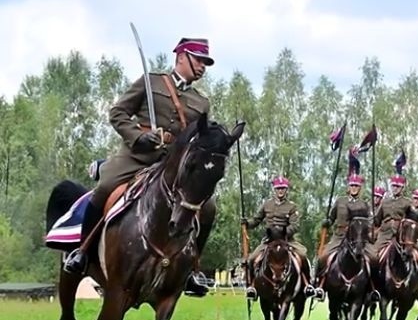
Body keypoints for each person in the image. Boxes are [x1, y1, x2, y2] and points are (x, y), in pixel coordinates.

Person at [63, 37, 215, 297]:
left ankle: (190, 269)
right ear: (181, 57)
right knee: (105, 187)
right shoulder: (151, 82)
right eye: (199, 60)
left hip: (171, 166)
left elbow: (199, 140)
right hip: (136, 155)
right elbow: (117, 113)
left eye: (206, 63)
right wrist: (138, 136)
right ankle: (82, 252)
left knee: (208, 207)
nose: (203, 67)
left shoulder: (201, 103)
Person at [241, 176, 313, 299]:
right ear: (274, 189)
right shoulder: (267, 204)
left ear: (286, 190)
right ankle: (251, 286)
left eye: (283, 189)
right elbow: (257, 219)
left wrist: (283, 232)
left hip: (286, 240)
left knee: (303, 256)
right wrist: (247, 223)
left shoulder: (292, 206)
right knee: (252, 259)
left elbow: (295, 225)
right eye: (278, 188)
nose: (280, 191)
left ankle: (308, 285)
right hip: (269, 240)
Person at [313, 174, 371, 299]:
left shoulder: (364, 204)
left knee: (373, 259)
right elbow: (332, 217)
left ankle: (371, 289)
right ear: (348, 187)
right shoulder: (340, 201)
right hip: (339, 237)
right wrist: (327, 221)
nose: (354, 188)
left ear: (360, 188)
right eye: (352, 185)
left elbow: (368, 222)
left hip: (358, 240)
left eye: (356, 186)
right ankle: (318, 285)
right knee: (322, 257)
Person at [368, 174, 411, 300]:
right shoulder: (385, 201)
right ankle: (372, 286)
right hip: (384, 235)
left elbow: (413, 219)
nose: (395, 188)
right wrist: (373, 217)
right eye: (394, 186)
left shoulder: (407, 203)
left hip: (401, 236)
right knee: (372, 256)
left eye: (398, 186)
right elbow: (377, 221)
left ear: (402, 187)